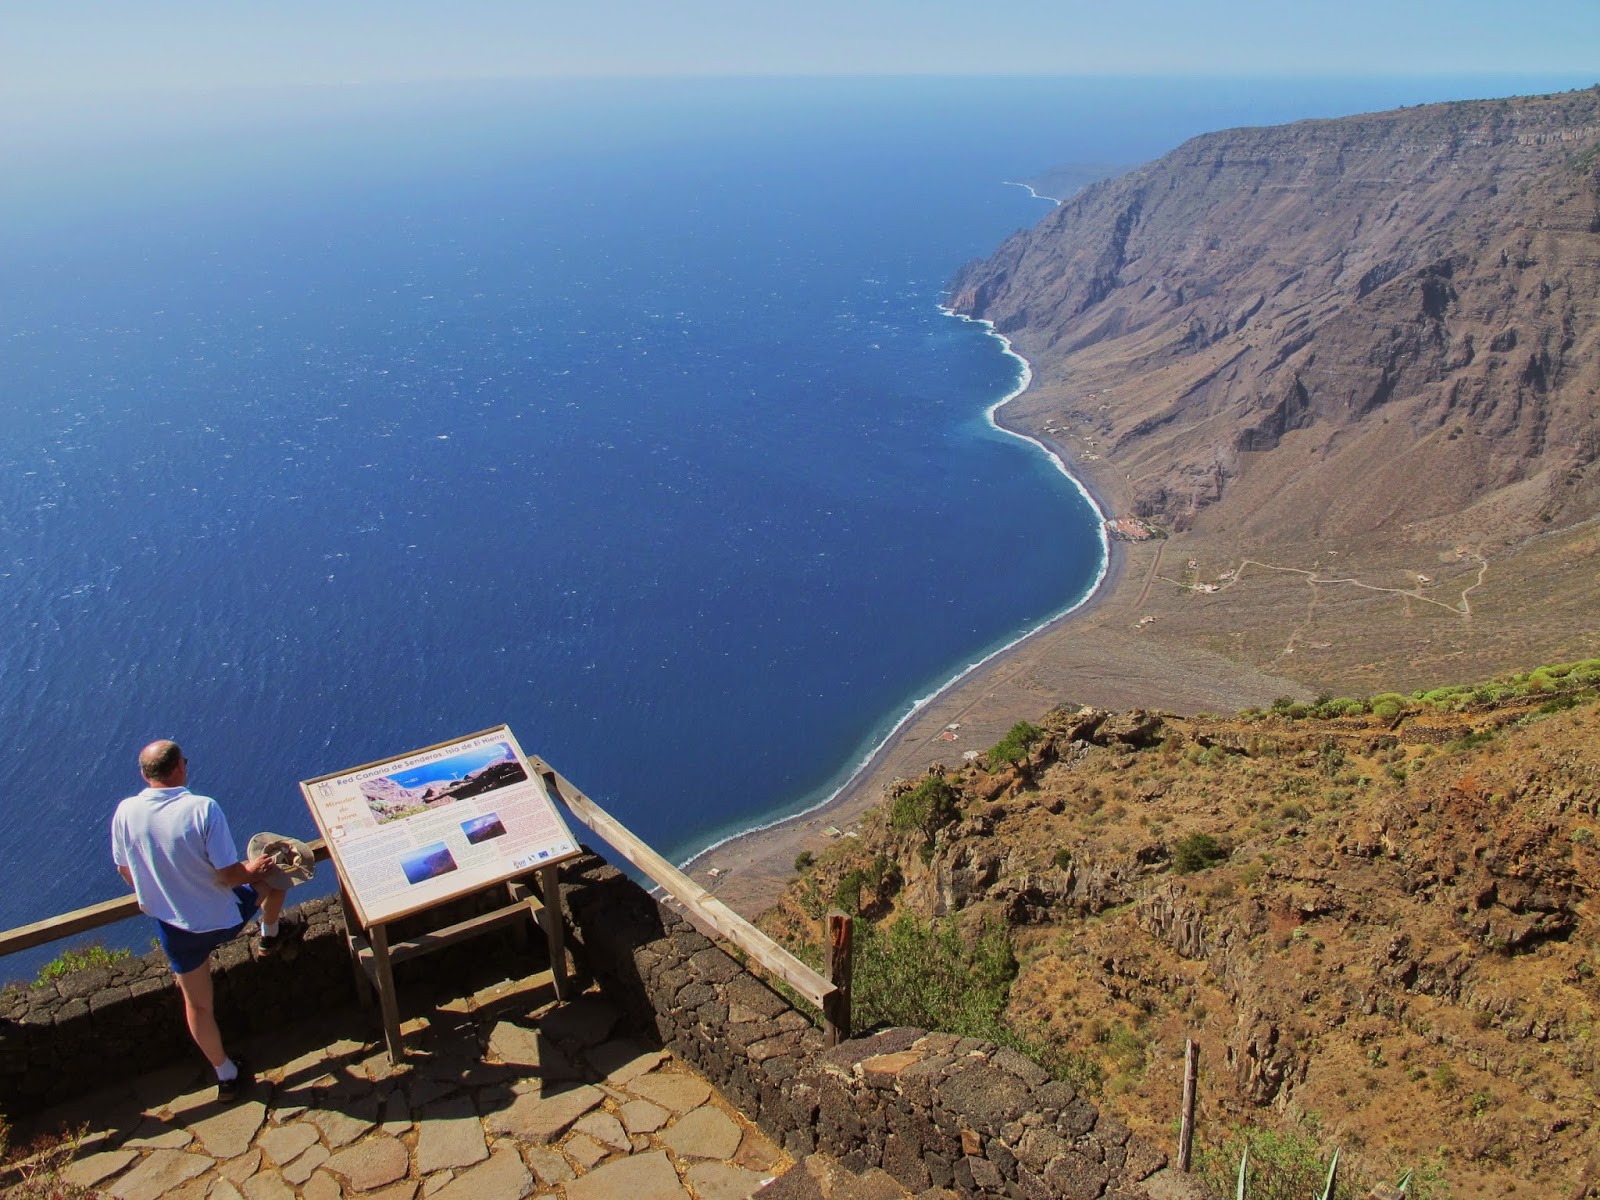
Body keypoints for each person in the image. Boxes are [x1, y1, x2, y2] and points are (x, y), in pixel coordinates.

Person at [111, 739, 288, 1101]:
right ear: (179, 768)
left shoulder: (125, 812)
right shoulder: (202, 809)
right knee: (276, 879)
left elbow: (125, 870)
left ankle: (226, 1074)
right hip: (222, 917)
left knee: (198, 1005)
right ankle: (270, 935)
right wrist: (254, 868)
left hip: (175, 926)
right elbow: (229, 876)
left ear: (145, 775)